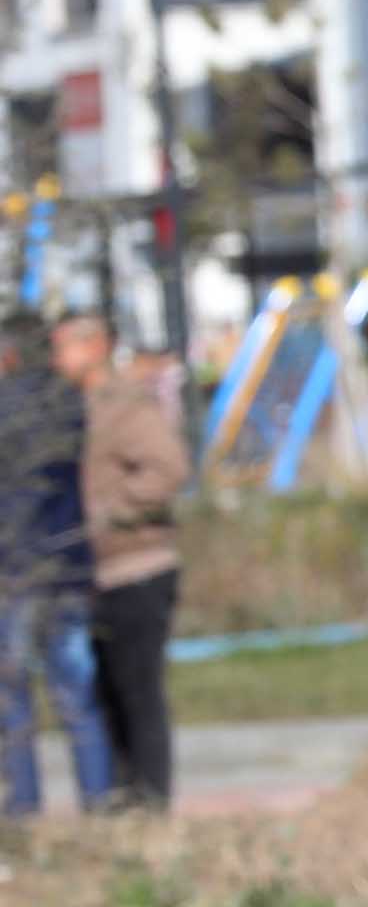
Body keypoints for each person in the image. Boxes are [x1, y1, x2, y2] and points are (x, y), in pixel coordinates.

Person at [58, 315, 189, 810]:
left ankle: (153, 802)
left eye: (64, 345)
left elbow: (169, 468)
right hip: (100, 574)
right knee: (109, 694)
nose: (56, 358)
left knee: (140, 694)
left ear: (95, 346)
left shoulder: (125, 406)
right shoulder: (77, 408)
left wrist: (111, 513)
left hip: (140, 567)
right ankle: (125, 796)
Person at [0, 310, 114, 818]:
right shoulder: (71, 403)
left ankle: (24, 809)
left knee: (14, 697)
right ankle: (98, 801)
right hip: (68, 566)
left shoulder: (6, 409)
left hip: (16, 572)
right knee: (76, 695)